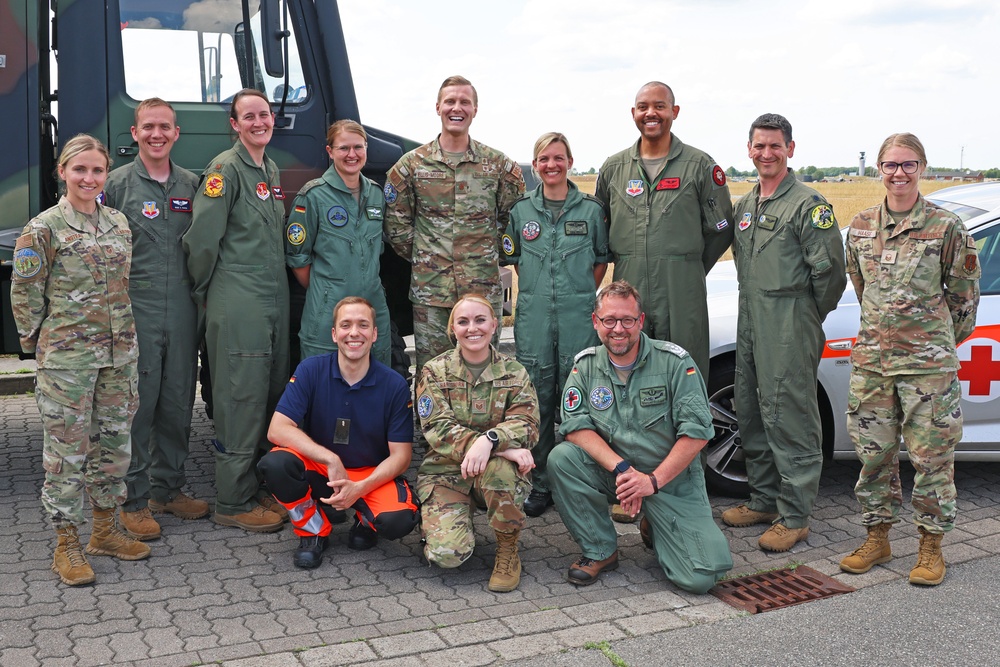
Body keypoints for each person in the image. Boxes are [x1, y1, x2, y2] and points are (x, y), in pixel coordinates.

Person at [839, 133, 980, 586]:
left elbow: (963, 300)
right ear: (879, 168)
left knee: (931, 459)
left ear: (921, 167)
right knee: (873, 455)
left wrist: (930, 343)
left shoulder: (946, 226)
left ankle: (931, 546)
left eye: (908, 164)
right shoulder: (860, 224)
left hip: (928, 371)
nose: (899, 173)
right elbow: (862, 288)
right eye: (891, 165)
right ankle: (877, 537)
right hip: (873, 366)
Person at [11, 134, 150, 586]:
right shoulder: (43, 228)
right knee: (66, 454)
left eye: (97, 170)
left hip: (118, 355)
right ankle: (65, 543)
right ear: (63, 172)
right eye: (80, 170)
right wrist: (40, 348)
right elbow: (26, 293)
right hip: (68, 362)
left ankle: (105, 530)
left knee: (113, 447)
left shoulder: (119, 223)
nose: (89, 178)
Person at [548, 281, 732, 594]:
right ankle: (601, 551)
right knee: (562, 459)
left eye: (627, 320)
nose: (618, 329)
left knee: (700, 578)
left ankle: (656, 524)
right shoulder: (586, 366)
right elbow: (575, 426)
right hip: (618, 475)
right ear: (596, 322)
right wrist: (623, 470)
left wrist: (651, 482)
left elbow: (697, 434)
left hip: (670, 480)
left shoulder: (675, 363)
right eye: (609, 320)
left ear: (641, 321)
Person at [720, 114, 847, 553]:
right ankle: (764, 499)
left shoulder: (808, 205)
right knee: (751, 408)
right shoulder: (747, 204)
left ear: (790, 149)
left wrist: (803, 318)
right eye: (759, 146)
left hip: (790, 321)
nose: (766, 154)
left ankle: (795, 515)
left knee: (790, 415)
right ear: (749, 149)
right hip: (751, 318)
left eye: (775, 146)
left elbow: (831, 276)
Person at [183, 88, 290, 533]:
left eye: (264, 114)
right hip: (238, 298)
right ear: (234, 124)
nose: (258, 122)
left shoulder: (269, 168)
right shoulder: (224, 170)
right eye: (248, 116)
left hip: (272, 299)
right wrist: (209, 295)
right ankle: (232, 499)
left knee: (270, 393)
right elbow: (201, 241)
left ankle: (258, 483)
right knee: (240, 399)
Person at [103, 98, 208, 541]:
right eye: (148, 127)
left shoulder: (193, 183)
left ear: (177, 133)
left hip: (182, 307)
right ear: (135, 133)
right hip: (137, 308)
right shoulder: (117, 185)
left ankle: (169, 488)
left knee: (178, 399)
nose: (156, 134)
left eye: (165, 126)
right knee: (139, 403)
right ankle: (134, 499)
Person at [258, 297, 418, 569]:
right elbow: (277, 429)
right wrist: (331, 459)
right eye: (345, 325)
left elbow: (401, 456)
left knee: (399, 520)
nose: (354, 332)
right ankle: (313, 530)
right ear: (334, 334)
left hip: (370, 475)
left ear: (375, 334)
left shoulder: (394, 384)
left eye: (363, 325)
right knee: (275, 464)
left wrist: (359, 489)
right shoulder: (311, 370)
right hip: (323, 470)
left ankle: (366, 522)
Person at [384, 75, 525, 378]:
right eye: (450, 101)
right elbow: (397, 225)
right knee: (433, 372)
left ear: (475, 109)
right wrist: (428, 257)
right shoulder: (412, 166)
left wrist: (483, 254)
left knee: (484, 368)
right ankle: (432, 426)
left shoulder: (498, 166)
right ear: (438, 107)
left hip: (482, 290)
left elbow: (510, 221)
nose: (456, 108)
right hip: (431, 292)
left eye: (464, 102)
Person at [595, 81, 733, 381]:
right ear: (633, 113)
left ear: (675, 111)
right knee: (626, 371)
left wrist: (689, 264)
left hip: (682, 291)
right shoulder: (614, 168)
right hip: (629, 287)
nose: (651, 113)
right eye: (643, 107)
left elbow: (722, 227)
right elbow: (599, 226)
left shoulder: (699, 165)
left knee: (684, 371)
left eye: (659, 106)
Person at [501, 132, 609, 517]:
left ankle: (581, 482)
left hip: (578, 316)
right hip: (534, 320)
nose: (551, 165)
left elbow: (600, 260)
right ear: (536, 164)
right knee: (538, 401)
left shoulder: (591, 210)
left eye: (558, 158)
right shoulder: (520, 212)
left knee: (578, 401)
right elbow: (516, 261)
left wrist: (578, 294)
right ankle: (542, 482)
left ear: (570, 161)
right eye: (544, 159)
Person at [415, 294, 539, 592]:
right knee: (449, 555)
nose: (473, 328)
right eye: (463, 321)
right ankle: (443, 522)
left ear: (494, 325)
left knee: (499, 470)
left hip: (494, 472)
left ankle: (508, 549)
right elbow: (436, 427)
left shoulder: (514, 372)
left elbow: (529, 425)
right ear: (452, 329)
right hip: (446, 473)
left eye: (480, 320)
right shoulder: (434, 371)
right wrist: (500, 446)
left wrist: (491, 440)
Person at [285, 120, 392, 365]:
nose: (351, 154)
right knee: (323, 380)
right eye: (343, 148)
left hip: (373, 308)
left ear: (366, 149)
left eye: (358, 147)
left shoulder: (376, 194)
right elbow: (298, 257)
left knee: (376, 379)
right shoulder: (313, 195)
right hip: (328, 313)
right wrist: (326, 291)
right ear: (330, 151)